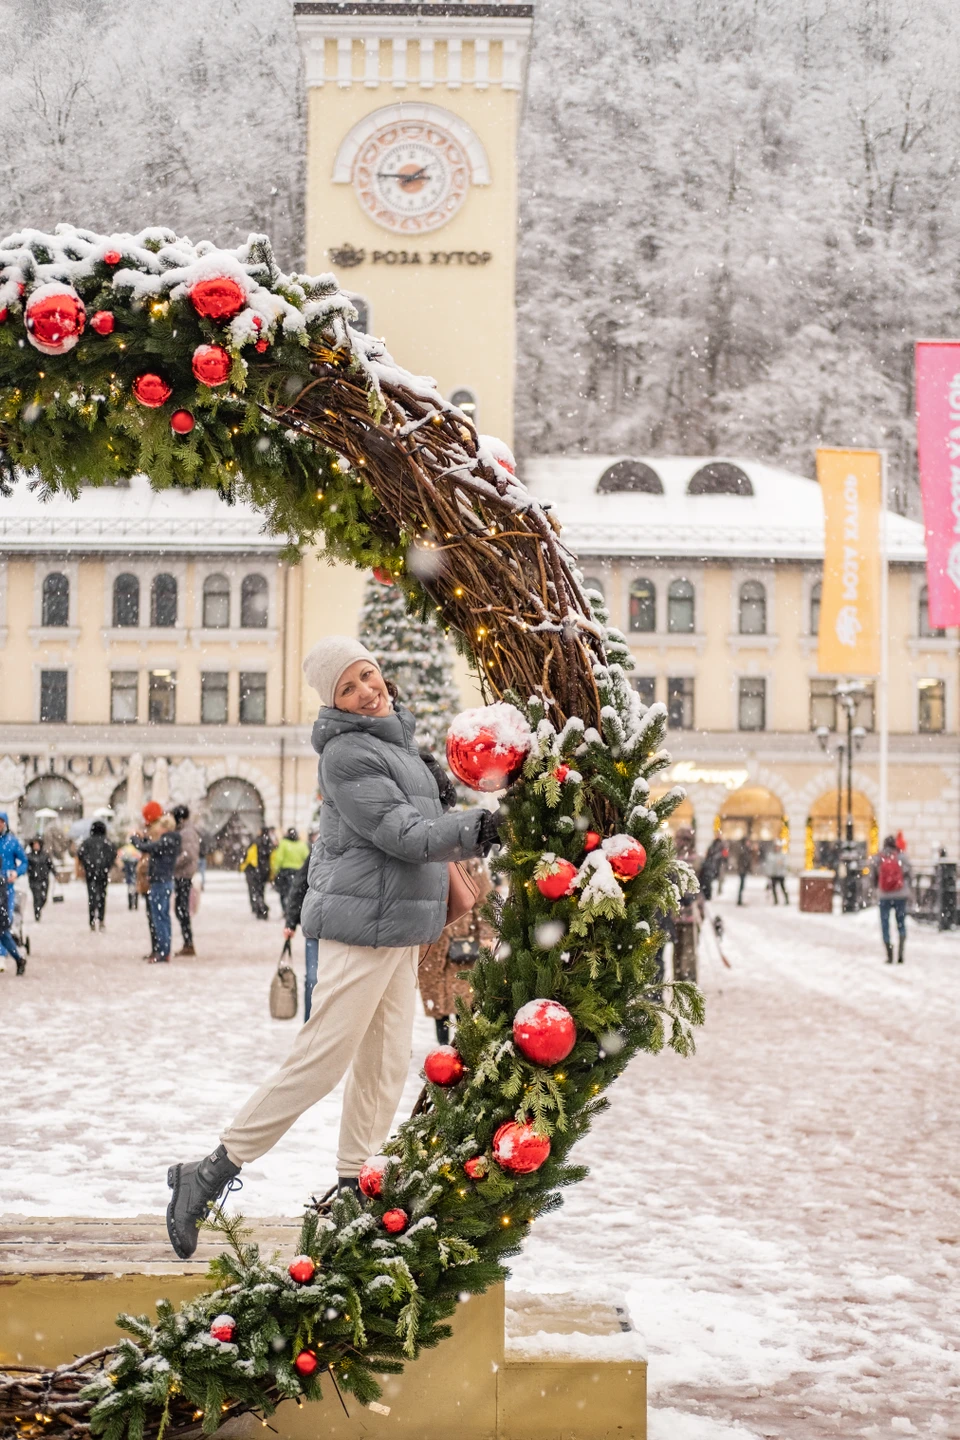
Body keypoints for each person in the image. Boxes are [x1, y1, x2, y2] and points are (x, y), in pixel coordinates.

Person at [166, 635, 500, 1259]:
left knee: (385, 1061)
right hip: (360, 928)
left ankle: (355, 1185)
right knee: (320, 1060)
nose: (366, 690)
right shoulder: (346, 755)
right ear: (334, 702)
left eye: (368, 675)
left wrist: (446, 802)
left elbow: (415, 822)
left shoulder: (399, 745)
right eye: (349, 687)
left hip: (399, 929)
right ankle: (207, 1174)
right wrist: (477, 828)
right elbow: (401, 833)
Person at [419, 856, 495, 1044]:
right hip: (430, 945)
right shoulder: (423, 855)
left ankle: (463, 1051)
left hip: (463, 943)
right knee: (437, 1003)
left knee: (464, 1003)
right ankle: (443, 1052)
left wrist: (485, 935)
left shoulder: (470, 861)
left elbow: (484, 901)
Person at [133, 813, 182, 964]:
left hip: (159, 883)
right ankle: (164, 951)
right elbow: (152, 846)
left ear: (164, 827)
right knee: (163, 917)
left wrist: (134, 839)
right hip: (165, 881)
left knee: (159, 918)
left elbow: (146, 848)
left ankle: (162, 951)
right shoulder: (171, 840)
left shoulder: (166, 840)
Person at [282, 853, 318, 1022]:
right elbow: (299, 885)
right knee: (313, 980)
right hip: (316, 926)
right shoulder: (321, 849)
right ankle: (309, 1026)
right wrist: (290, 921)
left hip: (343, 930)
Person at [869, 834, 912, 964]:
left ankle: (889, 954)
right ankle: (900, 954)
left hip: (884, 895)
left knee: (885, 924)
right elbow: (910, 874)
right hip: (900, 895)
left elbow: (872, 876)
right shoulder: (902, 857)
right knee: (901, 923)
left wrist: (876, 888)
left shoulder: (878, 857)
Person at [77, 820, 118, 931]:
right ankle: (101, 919)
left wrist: (87, 865)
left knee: (91, 896)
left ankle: (92, 920)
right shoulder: (107, 842)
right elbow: (113, 854)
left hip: (91, 873)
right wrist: (107, 865)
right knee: (102, 896)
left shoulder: (87, 843)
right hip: (102, 873)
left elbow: (80, 854)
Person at [171, 804, 201, 957]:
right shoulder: (185, 831)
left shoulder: (187, 832)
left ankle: (188, 944)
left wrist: (172, 863)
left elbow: (188, 854)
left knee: (181, 910)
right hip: (183, 874)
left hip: (184, 874)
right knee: (180, 909)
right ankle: (187, 943)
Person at [0, 812, 28, 937]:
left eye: (1, 822)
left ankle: (3, 952)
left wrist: (16, 873)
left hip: (7, 888)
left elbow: (24, 861)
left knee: (5, 920)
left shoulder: (12, 841)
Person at [271, 827, 310, 912]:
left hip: (285, 871)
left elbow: (279, 858)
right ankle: (293, 910)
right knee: (295, 892)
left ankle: (285, 910)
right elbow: (307, 857)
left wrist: (275, 870)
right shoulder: (301, 844)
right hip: (297, 871)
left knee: (284, 892)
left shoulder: (283, 843)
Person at [240, 834, 270, 920]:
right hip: (264, 872)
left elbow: (251, 858)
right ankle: (261, 908)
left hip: (254, 872)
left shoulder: (254, 844)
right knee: (260, 891)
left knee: (254, 891)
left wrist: (245, 867)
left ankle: (259, 909)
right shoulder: (268, 844)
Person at [27, 838, 55, 922]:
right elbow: (26, 866)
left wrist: (55, 873)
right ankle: (37, 913)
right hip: (33, 880)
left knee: (43, 897)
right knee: (36, 897)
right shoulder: (29, 856)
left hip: (44, 879)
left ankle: (38, 908)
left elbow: (50, 865)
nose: (36, 846)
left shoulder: (45, 855)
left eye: (37, 844)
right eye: (34, 845)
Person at [119, 839, 140, 910]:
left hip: (128, 871)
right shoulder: (137, 849)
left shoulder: (125, 849)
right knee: (135, 888)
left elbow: (120, 856)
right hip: (136, 871)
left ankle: (130, 904)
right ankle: (136, 904)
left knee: (129, 888)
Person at [736, 839, 755, 905]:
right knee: (741, 886)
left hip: (743, 870)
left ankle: (739, 900)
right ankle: (739, 900)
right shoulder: (744, 850)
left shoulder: (747, 850)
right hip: (742, 870)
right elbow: (744, 861)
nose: (749, 843)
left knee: (742, 885)